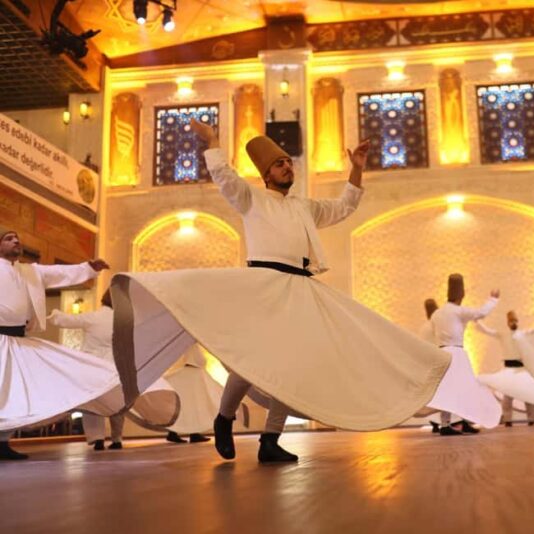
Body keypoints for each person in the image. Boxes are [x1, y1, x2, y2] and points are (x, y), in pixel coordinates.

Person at [110, 122, 452, 464]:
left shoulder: (303, 207)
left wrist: (357, 170)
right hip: (263, 286)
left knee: (295, 368)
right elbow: (225, 177)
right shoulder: (252, 199)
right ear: (266, 175)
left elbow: (344, 207)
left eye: (289, 162)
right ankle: (224, 417)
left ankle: (270, 439)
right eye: (279, 164)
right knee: (250, 362)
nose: (287, 166)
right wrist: (214, 141)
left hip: (299, 289)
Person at [0, 230, 119, 460]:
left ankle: (2, 443)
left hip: (18, 341)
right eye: (9, 238)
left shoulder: (31, 271)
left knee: (13, 392)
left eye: (18, 238)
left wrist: (88, 268)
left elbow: (59, 272)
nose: (16, 241)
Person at [49, 289, 179, 450]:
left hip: (92, 367)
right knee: (118, 403)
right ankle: (117, 438)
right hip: (115, 367)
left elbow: (65, 320)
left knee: (93, 403)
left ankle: (97, 439)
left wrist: (51, 314)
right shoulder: (124, 320)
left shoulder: (93, 317)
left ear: (103, 300)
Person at [429, 274, 501, 435]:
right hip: (456, 353)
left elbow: (434, 332)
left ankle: (449, 423)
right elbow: (481, 313)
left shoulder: (437, 314)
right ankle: (456, 422)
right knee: (464, 389)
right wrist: (493, 300)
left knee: (446, 389)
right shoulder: (458, 311)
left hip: (442, 352)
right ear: (461, 294)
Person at [476, 308, 534, 427]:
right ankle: (507, 419)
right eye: (511, 321)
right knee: (508, 397)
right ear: (507, 322)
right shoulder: (502, 334)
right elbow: (487, 331)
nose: (513, 323)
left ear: (518, 322)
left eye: (515, 321)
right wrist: (477, 321)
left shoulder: (524, 333)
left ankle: (532, 419)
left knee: (528, 394)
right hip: (508, 370)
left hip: (522, 370)